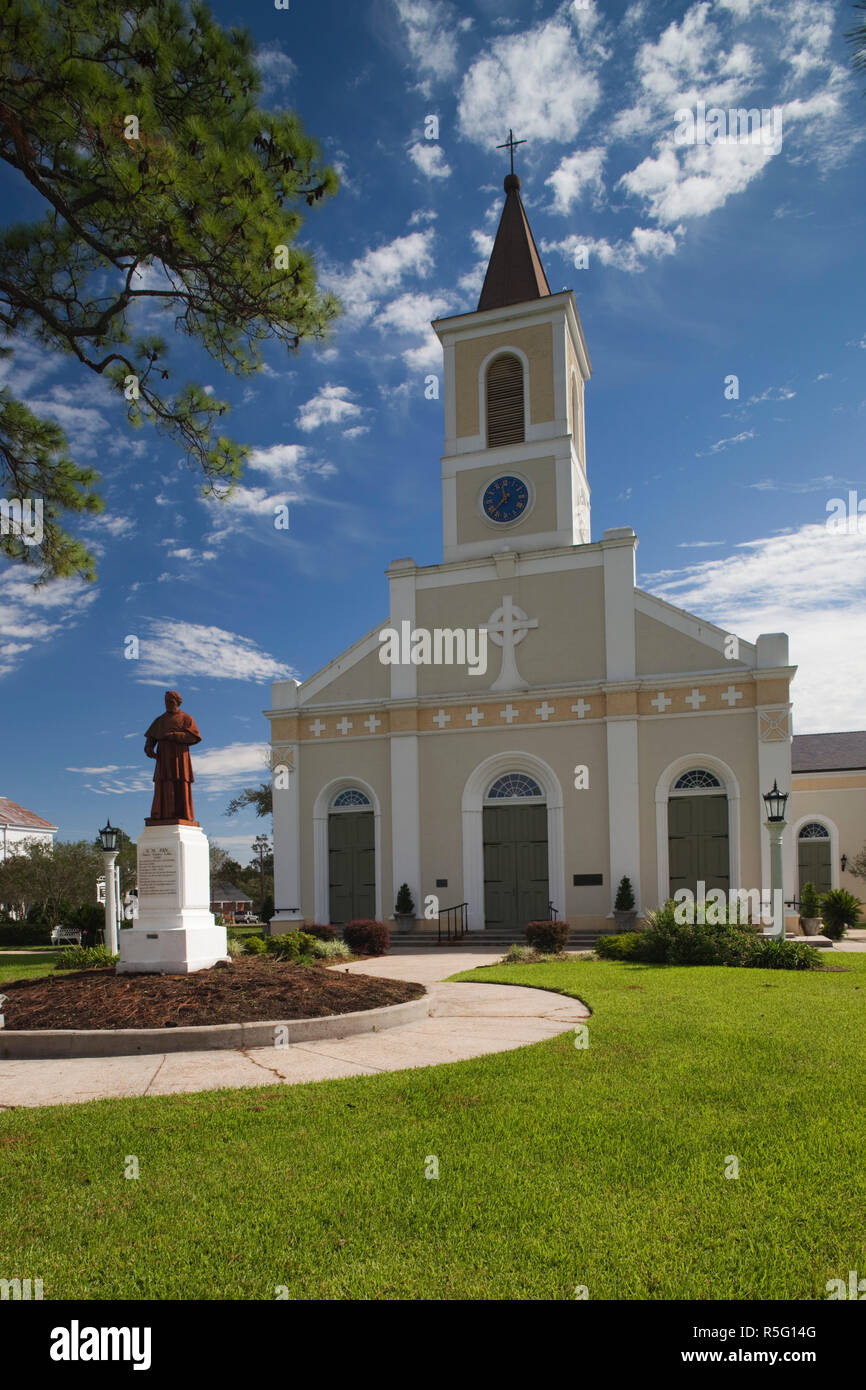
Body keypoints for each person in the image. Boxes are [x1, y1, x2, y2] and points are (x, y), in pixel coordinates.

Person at [144, 690, 202, 823]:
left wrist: (175, 735)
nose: (168, 704)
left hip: (179, 756)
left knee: (180, 782)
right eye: (166, 701)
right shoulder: (160, 720)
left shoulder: (186, 718)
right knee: (163, 782)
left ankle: (182, 814)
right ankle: (161, 814)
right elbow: (151, 738)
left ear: (177, 702)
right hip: (164, 756)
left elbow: (194, 737)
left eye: (171, 701)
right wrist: (149, 748)